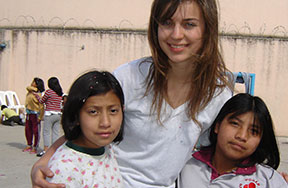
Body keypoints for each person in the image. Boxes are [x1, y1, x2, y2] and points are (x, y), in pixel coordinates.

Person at [31, 0, 233, 187]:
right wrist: (44, 160)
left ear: (208, 29)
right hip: (109, 181)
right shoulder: (130, 77)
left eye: (189, 24)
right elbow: (84, 130)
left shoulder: (218, 95)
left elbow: (216, 153)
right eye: (167, 22)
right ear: (155, 27)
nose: (176, 34)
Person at [178, 93, 288, 187]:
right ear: (217, 126)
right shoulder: (185, 165)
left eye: (254, 131)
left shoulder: (268, 180)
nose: (242, 136)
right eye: (235, 124)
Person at [46, 70, 124, 187]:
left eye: (113, 111)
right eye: (93, 112)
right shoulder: (64, 169)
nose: (105, 123)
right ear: (76, 116)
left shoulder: (106, 149)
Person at [34, 77, 64, 157]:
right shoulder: (60, 92)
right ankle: (55, 150)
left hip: (49, 114)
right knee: (55, 133)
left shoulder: (49, 92)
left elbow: (41, 101)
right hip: (58, 115)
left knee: (46, 132)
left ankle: (46, 150)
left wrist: (37, 96)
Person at [23, 77, 45, 154]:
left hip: (35, 114)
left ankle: (35, 147)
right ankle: (29, 144)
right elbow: (27, 87)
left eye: (34, 82)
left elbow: (42, 106)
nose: (32, 83)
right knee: (28, 130)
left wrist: (40, 117)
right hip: (29, 113)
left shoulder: (38, 94)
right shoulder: (30, 91)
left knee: (35, 131)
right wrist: (33, 89)